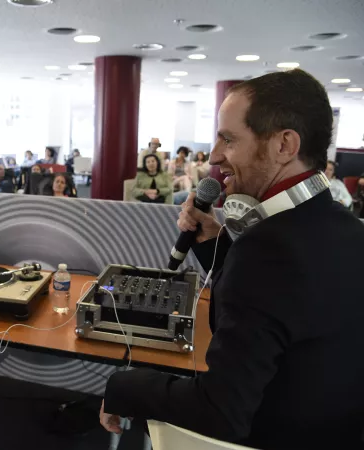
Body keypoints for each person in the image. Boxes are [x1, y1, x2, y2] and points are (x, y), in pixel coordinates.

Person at [100, 69, 364, 449]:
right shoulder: (347, 230)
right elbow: (283, 306)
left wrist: (122, 385)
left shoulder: (266, 253)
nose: (216, 155)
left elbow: (218, 413)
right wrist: (215, 245)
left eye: (228, 138)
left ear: (284, 145)